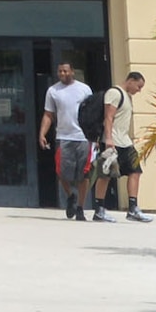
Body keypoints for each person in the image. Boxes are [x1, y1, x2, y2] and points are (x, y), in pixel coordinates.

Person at [90, 70, 153, 223]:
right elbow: (108, 116)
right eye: (138, 86)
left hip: (124, 142)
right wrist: (109, 138)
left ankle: (133, 208)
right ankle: (99, 210)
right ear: (131, 80)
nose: (139, 90)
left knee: (135, 171)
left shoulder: (127, 96)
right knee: (106, 175)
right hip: (113, 141)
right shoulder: (115, 93)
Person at [38, 61, 94, 221]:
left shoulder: (84, 89)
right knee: (62, 172)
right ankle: (71, 196)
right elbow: (48, 114)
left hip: (83, 137)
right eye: (60, 72)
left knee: (84, 174)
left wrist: (94, 133)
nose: (62, 74)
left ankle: (81, 208)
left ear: (72, 72)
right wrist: (42, 133)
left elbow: (92, 111)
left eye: (65, 71)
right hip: (63, 137)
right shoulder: (53, 91)